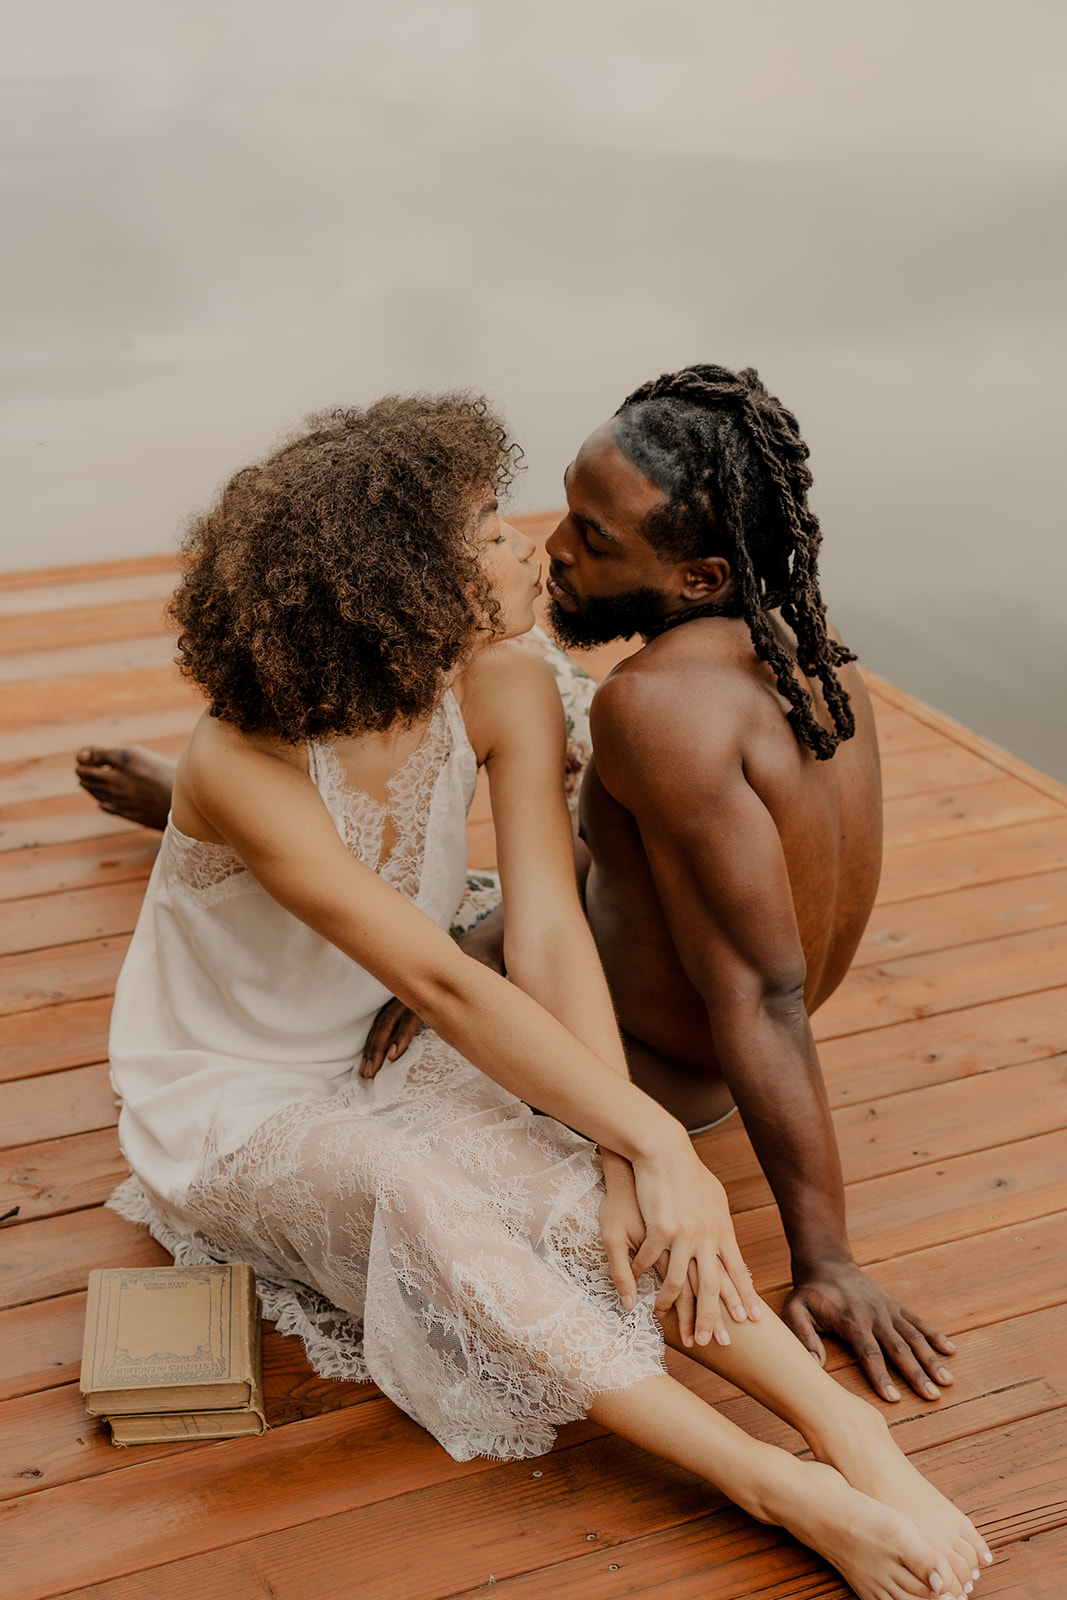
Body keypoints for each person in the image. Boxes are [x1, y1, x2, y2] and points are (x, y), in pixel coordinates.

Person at [99, 394, 987, 1600]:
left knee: (572, 1195)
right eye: (490, 533)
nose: (531, 546)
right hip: (232, 1090)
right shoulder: (239, 758)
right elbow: (435, 975)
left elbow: (550, 929)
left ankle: (846, 1431)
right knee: (416, 1189)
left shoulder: (506, 678)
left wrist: (621, 1149)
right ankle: (770, 1483)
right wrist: (656, 1129)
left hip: (385, 1042)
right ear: (400, 586)